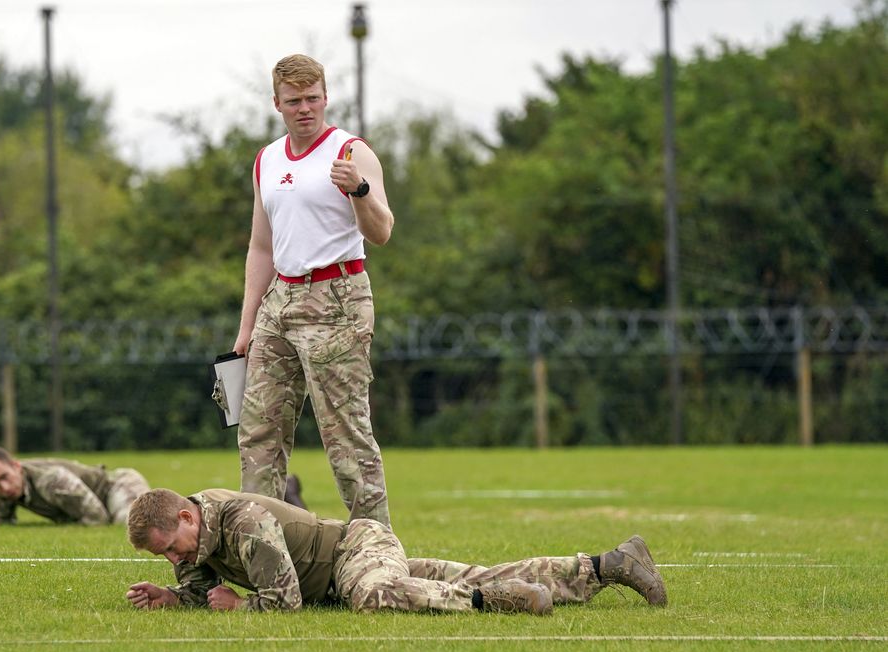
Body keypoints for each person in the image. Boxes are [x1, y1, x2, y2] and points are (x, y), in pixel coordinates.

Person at [232, 54, 394, 529]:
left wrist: (360, 190)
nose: (305, 108)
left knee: (345, 435)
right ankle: (259, 541)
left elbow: (382, 232)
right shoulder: (267, 159)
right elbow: (261, 247)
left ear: (326, 97)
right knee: (258, 430)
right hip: (280, 300)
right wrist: (246, 328)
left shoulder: (351, 152)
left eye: (313, 98)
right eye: (294, 101)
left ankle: (378, 548)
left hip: (337, 296)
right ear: (277, 103)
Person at [124, 488, 668, 614]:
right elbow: (201, 585)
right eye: (165, 558)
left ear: (188, 518)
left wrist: (243, 608)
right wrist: (174, 597)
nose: (177, 559)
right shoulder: (201, 540)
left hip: (356, 552)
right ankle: (609, 564)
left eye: (173, 547)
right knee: (480, 570)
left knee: (373, 595)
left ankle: (494, 601)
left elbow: (283, 599)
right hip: (353, 557)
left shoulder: (244, 522)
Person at [0, 446, 151, 526]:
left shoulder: (51, 480)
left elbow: (98, 518)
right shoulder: (4, 489)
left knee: (133, 526)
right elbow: (2, 522)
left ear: (17, 466)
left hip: (115, 486)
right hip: (98, 502)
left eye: (5, 477)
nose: (3, 488)